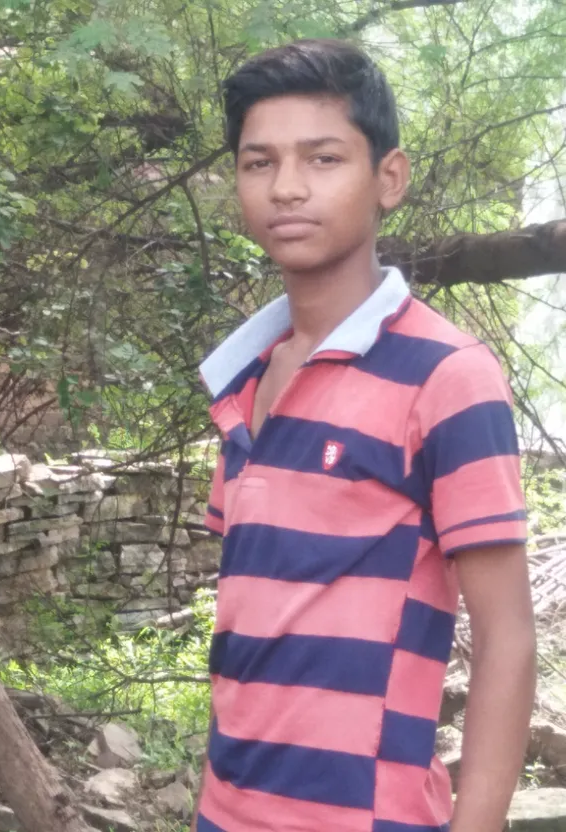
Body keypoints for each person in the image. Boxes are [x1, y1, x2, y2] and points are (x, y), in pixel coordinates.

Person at [193, 38, 536, 832]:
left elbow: (507, 634)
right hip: (227, 812)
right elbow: (258, 622)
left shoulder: (447, 376)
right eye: (258, 163)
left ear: (389, 178)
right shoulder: (244, 381)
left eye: (322, 159)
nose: (286, 188)